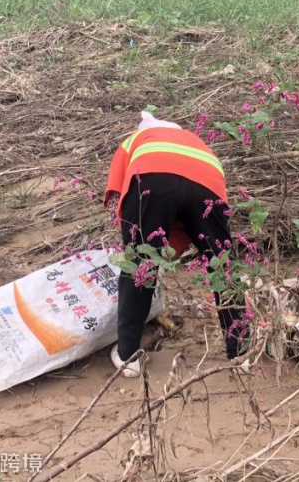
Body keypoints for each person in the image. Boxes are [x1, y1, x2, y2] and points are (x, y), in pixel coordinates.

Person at [104, 111, 249, 377]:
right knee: (222, 265)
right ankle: (241, 353)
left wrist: (138, 239)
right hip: (208, 184)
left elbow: (120, 185)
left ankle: (128, 356)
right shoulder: (197, 144)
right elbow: (194, 195)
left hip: (151, 177)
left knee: (139, 263)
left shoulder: (136, 139)